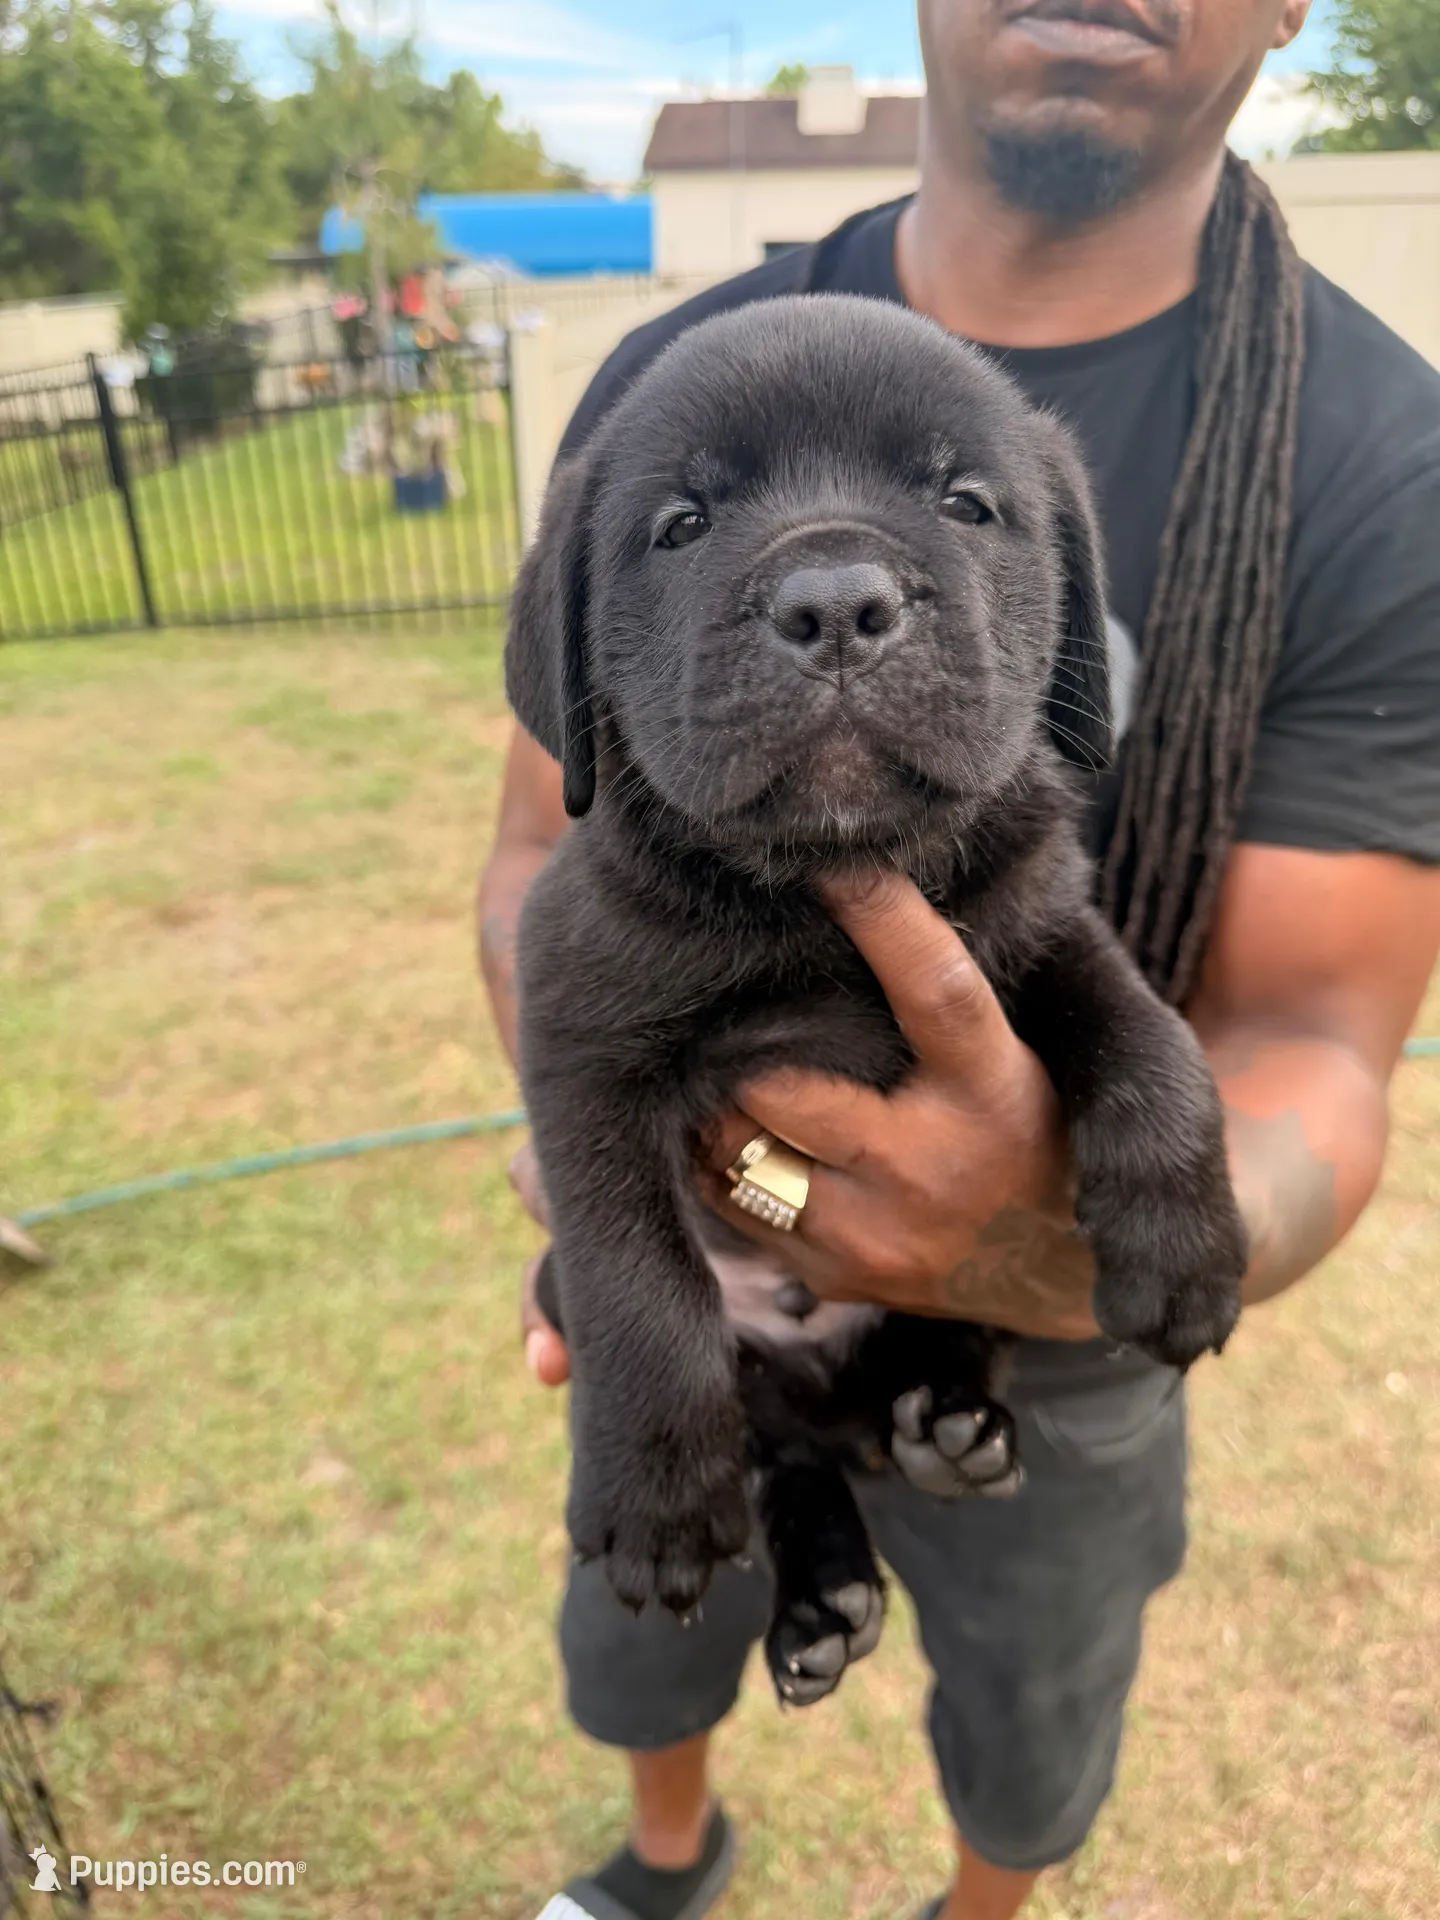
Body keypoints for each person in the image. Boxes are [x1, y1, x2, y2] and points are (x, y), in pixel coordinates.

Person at [479, 3, 1440, 1915]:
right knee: (658, 1552)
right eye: (694, 528)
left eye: (957, 513)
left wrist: (1099, 1216)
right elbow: (536, 866)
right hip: (681, 1278)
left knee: (1038, 1691)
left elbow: (1292, 1025)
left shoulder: (1380, 459)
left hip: (1081, 1328)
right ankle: (665, 1858)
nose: (835, 588)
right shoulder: (661, 371)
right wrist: (670, 1220)